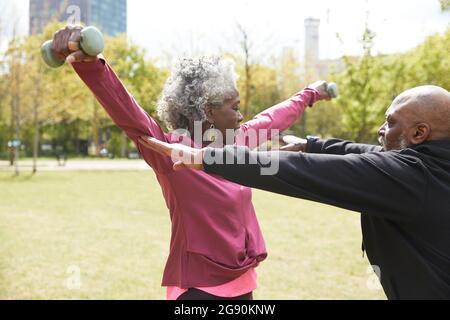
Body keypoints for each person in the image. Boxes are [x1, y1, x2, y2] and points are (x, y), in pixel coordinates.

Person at [51, 25, 333, 300]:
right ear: (209, 111)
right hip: (199, 290)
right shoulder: (173, 154)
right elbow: (127, 112)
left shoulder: (237, 143)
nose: (240, 116)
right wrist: (91, 64)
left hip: (243, 282)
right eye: (234, 107)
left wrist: (311, 93)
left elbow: (273, 118)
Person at [138, 85, 450, 299]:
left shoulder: (411, 176)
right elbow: (366, 152)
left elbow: (305, 172)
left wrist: (208, 157)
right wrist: (314, 144)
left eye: (390, 122)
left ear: (419, 133)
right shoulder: (436, 162)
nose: (381, 130)